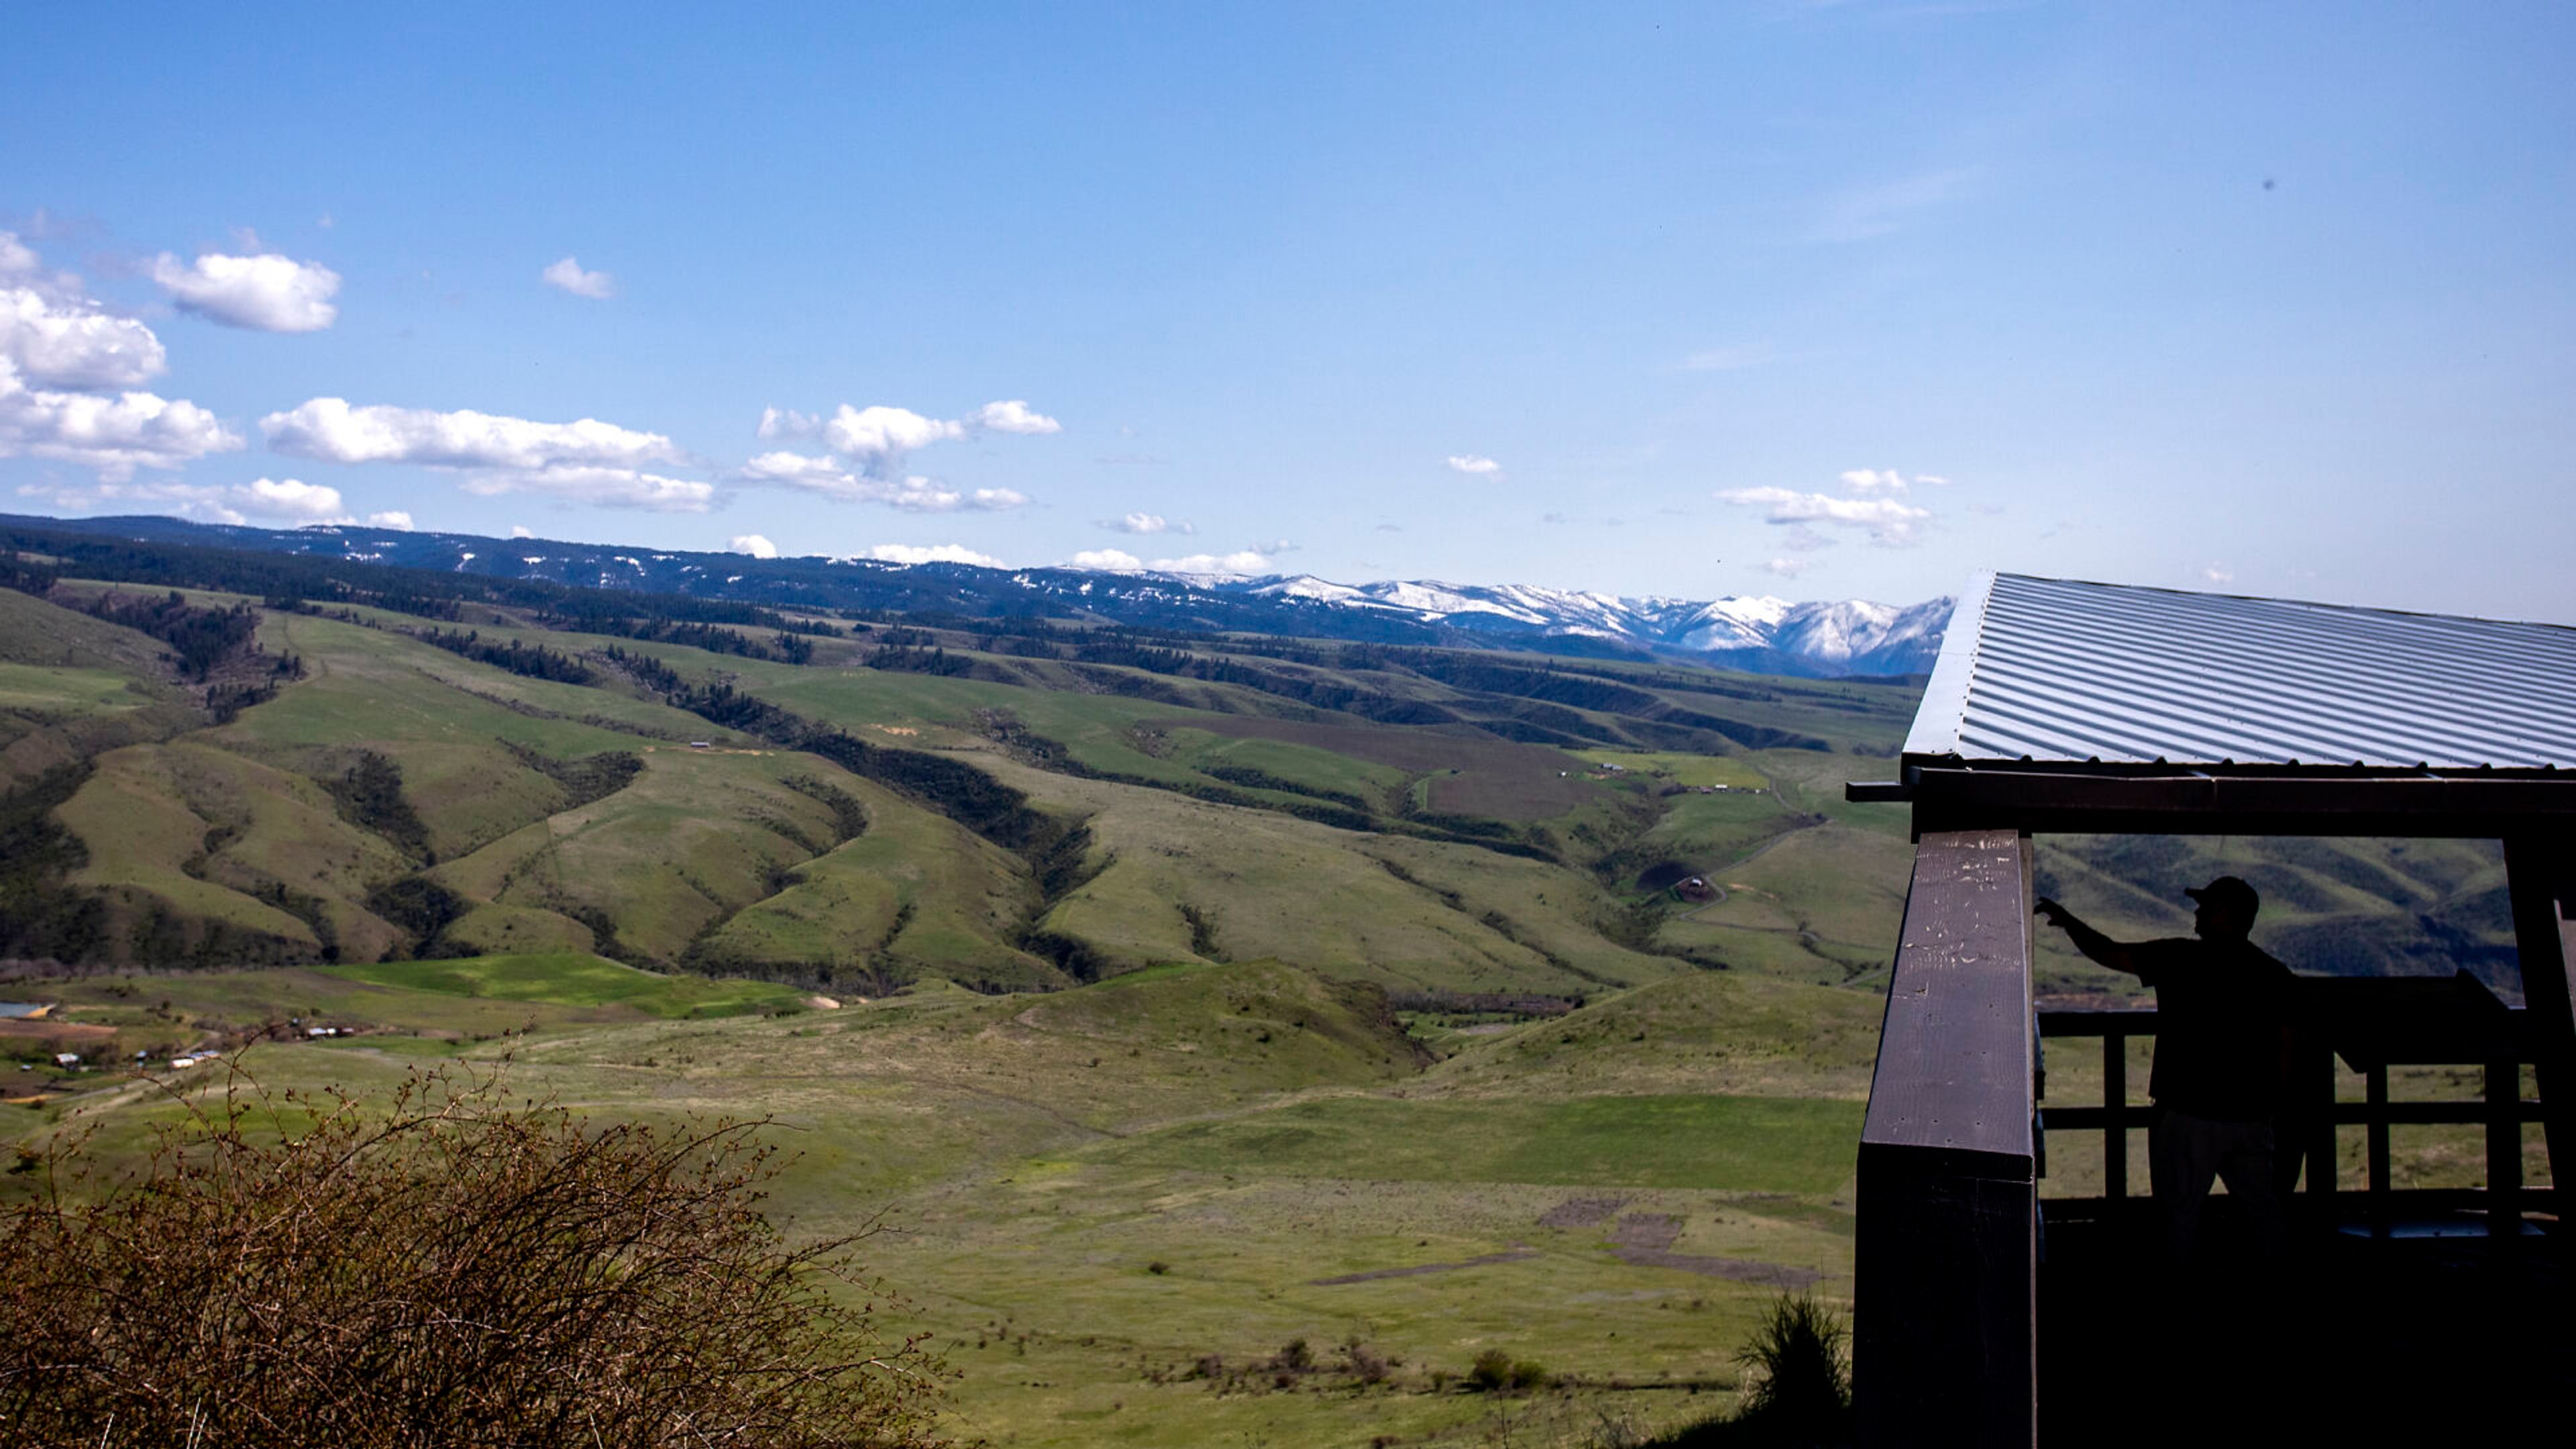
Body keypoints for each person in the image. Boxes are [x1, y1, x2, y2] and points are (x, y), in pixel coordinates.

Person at [2034, 875, 2295, 1267]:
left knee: (2179, 1216)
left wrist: (2070, 922)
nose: (2198, 913)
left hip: (2189, 1114)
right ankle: (2280, 1297)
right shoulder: (2274, 974)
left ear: (2224, 914)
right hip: (2251, 1117)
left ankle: (2178, 1305)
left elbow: (2110, 953)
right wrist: (2272, 1105)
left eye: (2206, 907)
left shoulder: (2181, 959)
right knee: (2263, 1211)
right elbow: (2285, 1050)